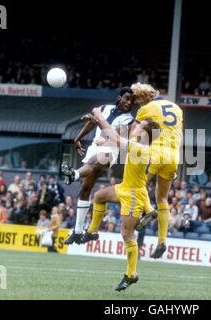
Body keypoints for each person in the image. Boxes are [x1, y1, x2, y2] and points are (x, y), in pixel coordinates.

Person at [76, 106, 161, 291]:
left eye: (140, 126)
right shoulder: (137, 142)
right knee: (98, 197)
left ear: (145, 134)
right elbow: (114, 138)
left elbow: (116, 137)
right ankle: (92, 231)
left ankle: (131, 275)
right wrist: (102, 140)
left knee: (127, 234)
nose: (136, 126)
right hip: (125, 187)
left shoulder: (141, 148)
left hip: (133, 195)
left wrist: (99, 115)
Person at [62, 87, 135, 244]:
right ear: (119, 97)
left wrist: (98, 123)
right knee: (85, 189)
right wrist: (77, 138)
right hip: (94, 147)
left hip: (110, 150)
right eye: (127, 98)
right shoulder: (104, 108)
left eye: (132, 101)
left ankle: (73, 174)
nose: (129, 102)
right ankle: (77, 230)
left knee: (96, 161)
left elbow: (116, 134)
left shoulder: (129, 119)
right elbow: (92, 124)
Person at [130, 83, 184, 259]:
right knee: (162, 198)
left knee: (136, 188)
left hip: (153, 154)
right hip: (173, 157)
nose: (138, 104)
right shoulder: (177, 108)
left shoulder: (146, 109)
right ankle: (162, 241)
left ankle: (144, 219)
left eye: (138, 101)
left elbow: (134, 134)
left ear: (144, 98)